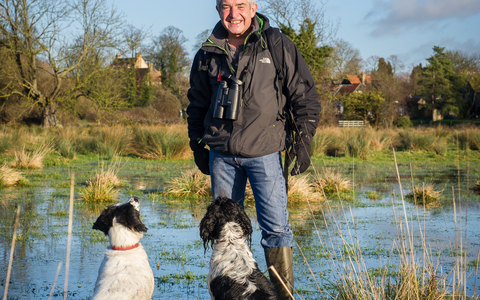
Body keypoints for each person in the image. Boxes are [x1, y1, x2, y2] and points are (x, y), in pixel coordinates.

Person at [187, 0, 321, 298]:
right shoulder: (207, 52)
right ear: (218, 9)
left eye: (240, 5)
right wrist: (197, 144)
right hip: (222, 155)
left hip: (266, 152)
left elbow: (305, 96)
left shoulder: (276, 44)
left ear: (253, 7)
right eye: (226, 6)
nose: (233, 13)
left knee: (275, 230)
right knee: (225, 232)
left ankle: (282, 297)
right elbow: (196, 105)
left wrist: (303, 141)